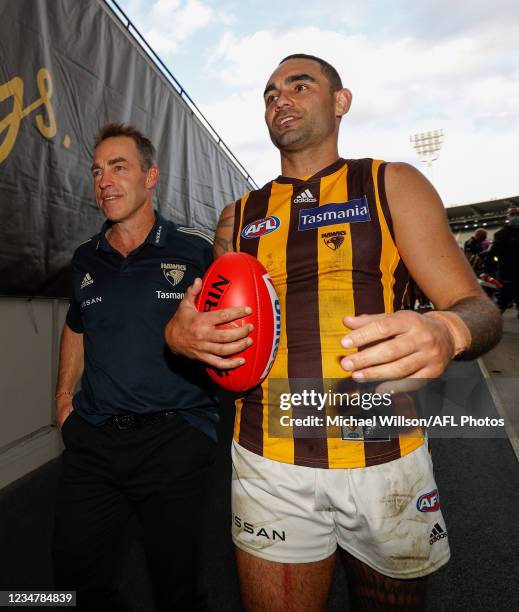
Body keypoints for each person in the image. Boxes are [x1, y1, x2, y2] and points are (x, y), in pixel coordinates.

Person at [165, 55, 502, 610]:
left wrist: (447, 331)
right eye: (270, 93)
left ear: (341, 101)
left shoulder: (391, 182)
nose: (281, 99)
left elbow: (477, 308)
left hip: (383, 456)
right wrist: (182, 338)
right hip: (266, 458)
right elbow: (214, 331)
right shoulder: (238, 215)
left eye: (301, 85)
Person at [52, 123, 219, 611]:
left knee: (175, 587)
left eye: (118, 167)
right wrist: (63, 399)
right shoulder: (87, 258)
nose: (104, 180)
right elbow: (76, 327)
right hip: (94, 441)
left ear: (151, 177)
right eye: (97, 171)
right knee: (73, 579)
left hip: (174, 441)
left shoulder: (195, 251)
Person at [484, 207, 519, 314]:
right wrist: (488, 271)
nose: (515, 217)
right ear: (507, 216)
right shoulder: (500, 234)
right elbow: (492, 254)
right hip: (506, 274)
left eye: (517, 214)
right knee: (501, 304)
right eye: (512, 214)